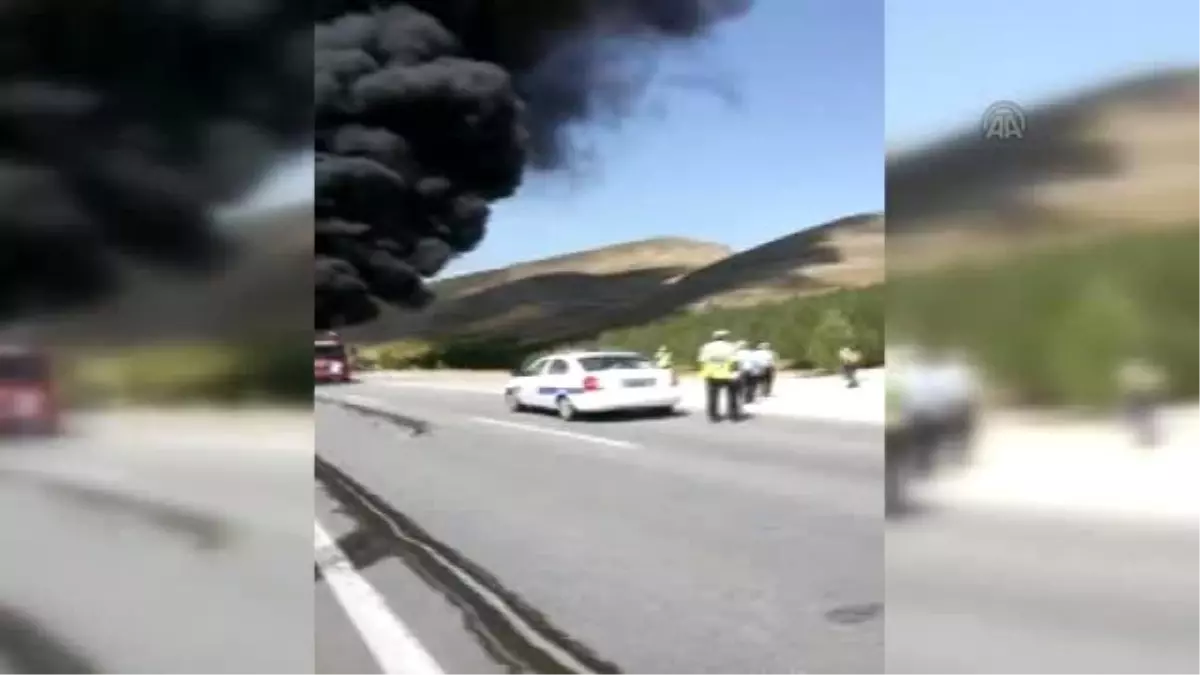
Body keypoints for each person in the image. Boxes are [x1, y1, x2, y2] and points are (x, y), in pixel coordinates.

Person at [1117, 356, 1166, 447]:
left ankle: (1148, 437)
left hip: (1142, 397)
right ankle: (1146, 437)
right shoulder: (1142, 372)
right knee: (1142, 417)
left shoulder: (1141, 372)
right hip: (1139, 396)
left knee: (1144, 417)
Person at [697, 329, 741, 421]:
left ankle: (713, 415)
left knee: (712, 396)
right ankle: (733, 415)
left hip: (712, 374)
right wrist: (736, 373)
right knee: (732, 395)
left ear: (714, 337)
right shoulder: (731, 346)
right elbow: (735, 361)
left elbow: (702, 360)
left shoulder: (707, 347)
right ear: (725, 337)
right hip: (728, 374)